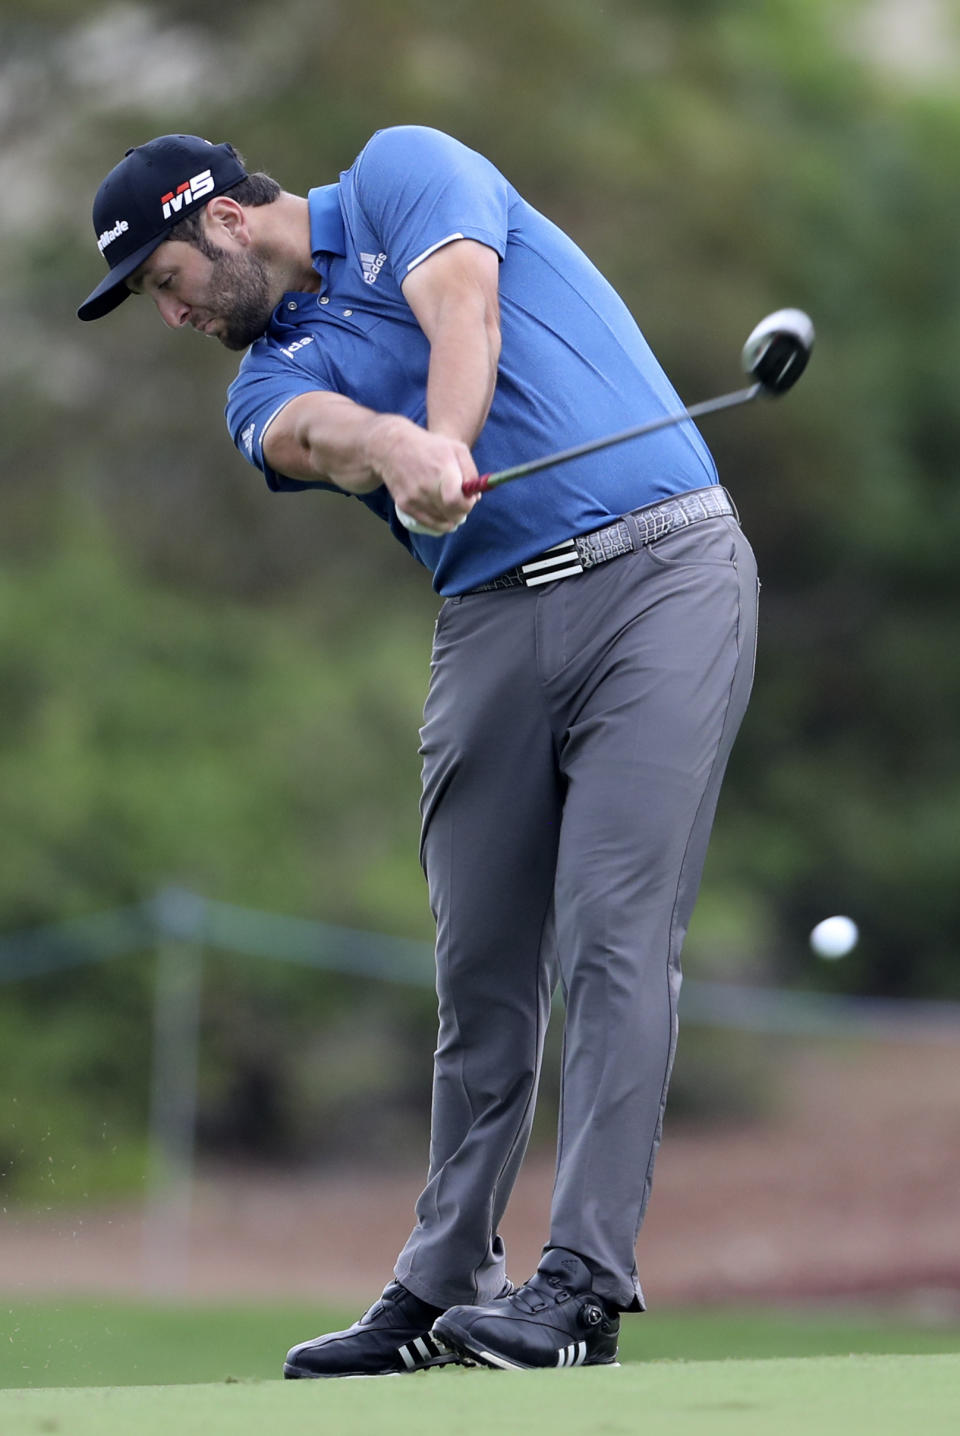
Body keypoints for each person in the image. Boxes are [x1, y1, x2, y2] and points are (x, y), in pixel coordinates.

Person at [79, 126, 759, 1375]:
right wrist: (398, 451)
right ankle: (446, 1279)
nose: (168, 316)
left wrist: (444, 430)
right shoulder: (256, 382)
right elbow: (318, 434)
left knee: (614, 932)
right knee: (481, 966)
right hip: (490, 620)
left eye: (163, 281)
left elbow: (464, 302)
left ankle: (581, 1291)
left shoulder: (403, 171)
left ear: (224, 219)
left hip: (663, 569)